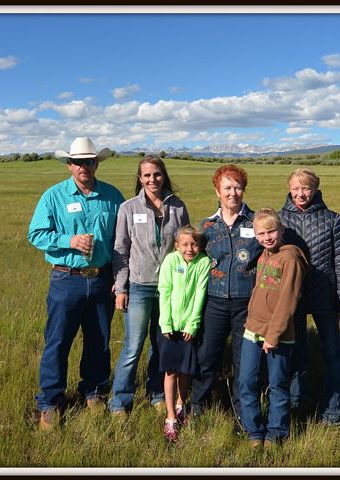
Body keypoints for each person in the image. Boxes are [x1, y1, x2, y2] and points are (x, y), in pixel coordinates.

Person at [28, 137, 124, 430]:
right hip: (65, 279)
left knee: (99, 340)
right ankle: (50, 401)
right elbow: (36, 234)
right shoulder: (53, 196)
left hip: (101, 279)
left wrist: (120, 280)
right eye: (78, 161)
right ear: (69, 165)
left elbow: (123, 240)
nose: (84, 166)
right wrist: (68, 240)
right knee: (57, 342)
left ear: (96, 163)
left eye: (89, 161)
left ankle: (93, 391)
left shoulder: (112, 196)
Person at [109, 155, 190, 415]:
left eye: (156, 174)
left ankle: (157, 394)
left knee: (161, 343)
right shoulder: (129, 208)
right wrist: (121, 288)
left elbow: (186, 247)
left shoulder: (177, 207)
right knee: (133, 346)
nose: (152, 179)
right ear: (140, 179)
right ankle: (120, 401)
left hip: (170, 288)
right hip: (139, 286)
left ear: (163, 175)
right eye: (146, 175)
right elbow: (121, 250)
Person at [279, 168, 340, 425]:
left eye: (306, 188)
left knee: (333, 353)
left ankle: (332, 411)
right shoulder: (279, 220)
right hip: (292, 296)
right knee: (295, 353)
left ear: (316, 189)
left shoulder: (333, 219)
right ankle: (296, 407)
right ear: (289, 189)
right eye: (296, 188)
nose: (301, 194)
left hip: (325, 294)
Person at [190, 164, 263, 429]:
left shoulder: (256, 223)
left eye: (238, 187)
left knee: (244, 361)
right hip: (215, 301)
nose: (233, 193)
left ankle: (243, 414)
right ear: (217, 191)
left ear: (244, 190)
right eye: (227, 188)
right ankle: (198, 407)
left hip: (247, 304)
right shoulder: (207, 226)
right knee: (207, 357)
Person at [238, 208, 309, 448]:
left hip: (277, 334)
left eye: (271, 231)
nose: (267, 237)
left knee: (278, 384)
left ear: (281, 230)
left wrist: (273, 335)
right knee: (247, 380)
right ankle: (253, 431)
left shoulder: (290, 258)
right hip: (252, 329)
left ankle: (276, 433)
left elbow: (288, 300)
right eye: (261, 234)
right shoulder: (263, 256)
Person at [157, 225, 211, 442]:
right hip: (169, 328)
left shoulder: (203, 263)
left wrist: (192, 324)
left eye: (194, 244)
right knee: (170, 371)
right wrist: (166, 322)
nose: (190, 249)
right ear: (177, 245)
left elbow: (200, 294)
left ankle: (181, 403)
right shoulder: (171, 261)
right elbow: (165, 291)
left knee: (186, 370)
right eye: (185, 244)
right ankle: (170, 416)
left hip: (189, 327)